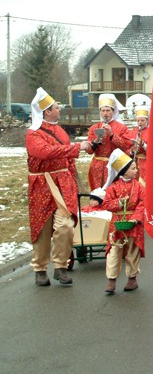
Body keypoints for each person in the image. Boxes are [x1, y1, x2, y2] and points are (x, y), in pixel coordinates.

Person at [26, 88, 92, 286]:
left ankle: (61, 266)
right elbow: (45, 152)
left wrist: (74, 176)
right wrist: (76, 147)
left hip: (63, 184)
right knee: (42, 227)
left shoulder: (61, 131)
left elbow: (66, 157)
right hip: (42, 184)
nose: (60, 109)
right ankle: (40, 268)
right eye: (57, 107)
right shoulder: (33, 134)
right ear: (47, 111)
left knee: (65, 226)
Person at [99, 149, 146, 295]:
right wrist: (118, 204)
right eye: (133, 168)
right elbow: (106, 204)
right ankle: (111, 280)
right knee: (114, 251)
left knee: (132, 250)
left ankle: (132, 278)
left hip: (133, 223)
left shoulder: (139, 187)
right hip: (117, 224)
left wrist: (136, 218)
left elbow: (143, 203)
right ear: (123, 171)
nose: (136, 170)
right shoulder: (112, 187)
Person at [86, 94, 133, 190]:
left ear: (113, 111)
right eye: (103, 111)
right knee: (98, 193)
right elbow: (89, 150)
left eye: (108, 110)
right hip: (97, 166)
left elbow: (126, 146)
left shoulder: (122, 128)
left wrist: (112, 135)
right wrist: (96, 140)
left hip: (115, 165)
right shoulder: (94, 127)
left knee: (113, 192)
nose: (105, 113)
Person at [129, 106, 150, 183]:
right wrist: (131, 151)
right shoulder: (133, 131)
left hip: (145, 162)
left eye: (142, 120)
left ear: (147, 120)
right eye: (138, 121)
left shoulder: (151, 132)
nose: (140, 123)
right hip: (134, 161)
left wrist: (143, 144)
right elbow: (126, 146)